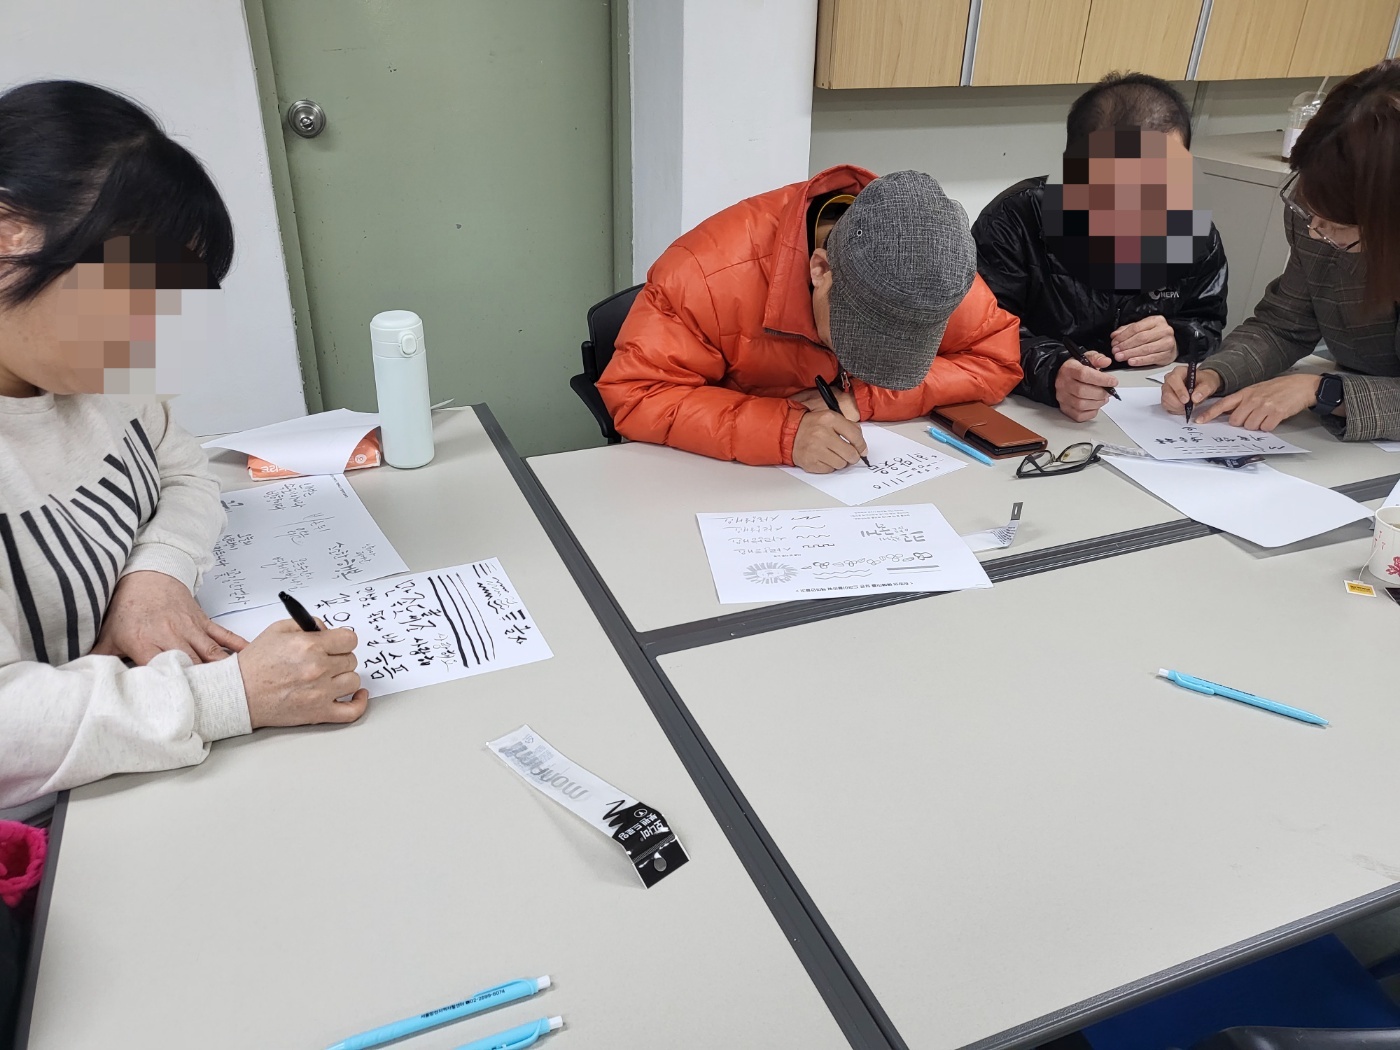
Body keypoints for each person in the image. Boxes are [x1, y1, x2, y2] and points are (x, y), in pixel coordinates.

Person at [0, 81, 369, 810]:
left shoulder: (89, 372)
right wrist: (229, 695)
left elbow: (185, 472)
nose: (146, 331)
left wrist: (155, 575)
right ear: (11, 231)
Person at [597, 166, 1022, 473]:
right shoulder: (704, 275)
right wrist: (785, 434)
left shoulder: (930, 263)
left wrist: (865, 398)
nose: (864, 355)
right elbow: (637, 394)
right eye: (854, 337)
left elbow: (997, 359)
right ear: (821, 269)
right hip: (732, 491)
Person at [1163, 61, 1400, 438]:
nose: (1315, 230)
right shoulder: (1318, 210)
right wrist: (1216, 373)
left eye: (1339, 226)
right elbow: (1284, 325)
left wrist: (1324, 390)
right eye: (1309, 206)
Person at [973, 73, 1228, 422]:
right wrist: (1052, 370)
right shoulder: (1016, 219)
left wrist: (1178, 340)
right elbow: (980, 333)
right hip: (1034, 414)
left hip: (1148, 414)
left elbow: (1208, 322)